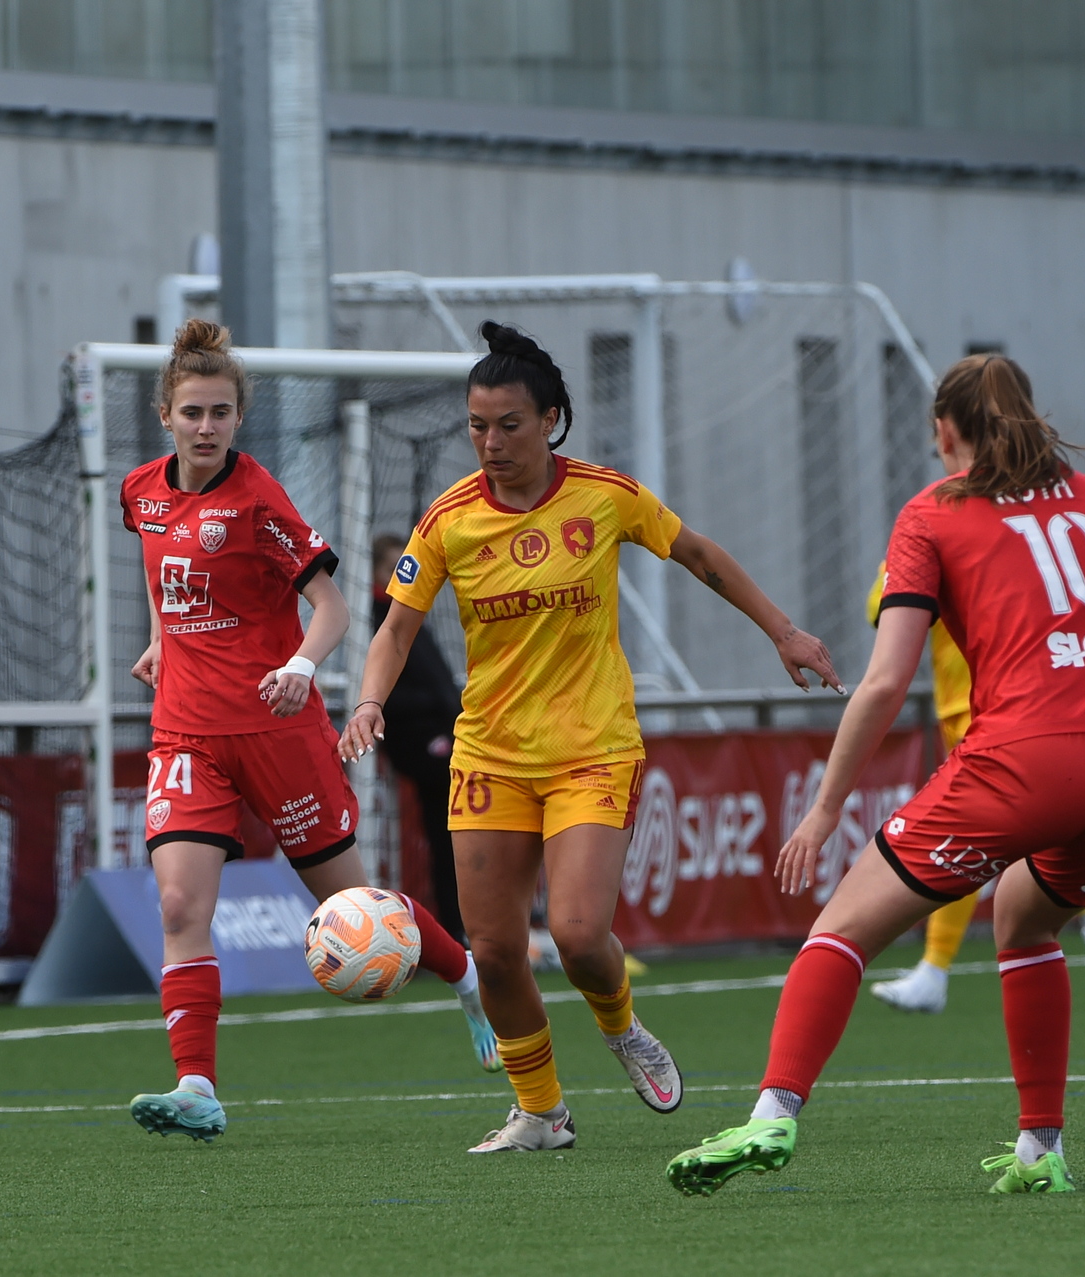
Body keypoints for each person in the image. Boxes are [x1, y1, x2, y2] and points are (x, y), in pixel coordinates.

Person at [665, 353, 1085, 1196]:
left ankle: (771, 1113)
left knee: (842, 926)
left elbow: (886, 680)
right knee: (1024, 919)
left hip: (1027, 759)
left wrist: (824, 808)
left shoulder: (933, 513)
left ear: (945, 430)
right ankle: (1041, 1152)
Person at [342, 322, 842, 1155]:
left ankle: (621, 1026)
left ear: (550, 420)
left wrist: (783, 631)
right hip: (490, 753)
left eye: (509, 424)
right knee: (495, 950)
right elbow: (395, 629)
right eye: (477, 426)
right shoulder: (448, 520)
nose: (490, 443)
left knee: (577, 934)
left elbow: (698, 553)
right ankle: (541, 1113)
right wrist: (368, 701)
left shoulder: (605, 495)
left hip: (592, 747)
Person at [122, 320, 500, 1146]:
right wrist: (160, 637)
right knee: (179, 902)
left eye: (221, 412)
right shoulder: (140, 492)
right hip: (186, 734)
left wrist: (300, 663)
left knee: (352, 905)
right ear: (165, 414)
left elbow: (332, 607)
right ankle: (197, 1086)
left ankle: (466, 973)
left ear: (238, 416)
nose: (207, 426)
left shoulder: (258, 498)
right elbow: (160, 571)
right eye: (192, 412)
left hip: (276, 731)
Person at [865, 564, 1085, 1014]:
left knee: (964, 835)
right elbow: (882, 610)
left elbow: (884, 609)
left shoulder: (987, 544)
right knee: (1005, 834)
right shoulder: (928, 545)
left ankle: (934, 971)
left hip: (998, 709)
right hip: (965, 708)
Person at [371, 532, 466, 942]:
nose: (402, 575)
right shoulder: (379, 620)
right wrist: (439, 717)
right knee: (448, 836)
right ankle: (454, 928)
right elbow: (392, 692)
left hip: (444, 734)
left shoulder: (412, 616)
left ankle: (463, 925)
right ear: (376, 572)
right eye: (393, 567)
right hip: (422, 741)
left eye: (406, 566)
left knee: (455, 834)